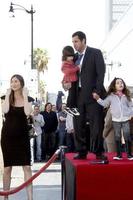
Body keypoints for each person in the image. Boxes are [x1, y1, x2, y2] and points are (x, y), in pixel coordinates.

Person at [71, 31, 108, 163]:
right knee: (78, 124)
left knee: (96, 125)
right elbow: (70, 75)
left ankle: (98, 152)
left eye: (76, 41)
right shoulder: (73, 58)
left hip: (93, 95)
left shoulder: (95, 53)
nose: (74, 44)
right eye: (73, 42)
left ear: (83, 40)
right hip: (78, 95)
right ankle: (81, 151)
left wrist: (97, 91)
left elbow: (101, 73)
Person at [0, 74, 34, 200]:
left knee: (26, 166)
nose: (13, 84)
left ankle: (30, 197)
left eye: (16, 81)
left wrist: (25, 96)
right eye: (12, 81)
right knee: (7, 167)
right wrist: (8, 96)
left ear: (21, 83)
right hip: (7, 137)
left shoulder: (28, 98)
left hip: (22, 137)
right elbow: (5, 110)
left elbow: (27, 112)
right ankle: (5, 197)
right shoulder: (5, 97)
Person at [93, 77, 133, 160]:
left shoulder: (127, 96)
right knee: (117, 137)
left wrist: (129, 113)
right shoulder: (111, 97)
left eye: (121, 82)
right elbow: (104, 104)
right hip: (116, 121)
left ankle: (129, 155)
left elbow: (131, 106)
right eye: (118, 83)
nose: (120, 84)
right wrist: (98, 99)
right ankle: (119, 155)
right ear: (114, 86)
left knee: (127, 136)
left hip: (125, 119)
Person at [61, 46, 80, 116]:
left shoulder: (71, 59)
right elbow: (68, 71)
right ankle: (69, 107)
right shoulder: (64, 63)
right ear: (65, 56)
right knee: (71, 94)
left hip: (73, 80)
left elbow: (76, 56)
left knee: (74, 94)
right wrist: (77, 68)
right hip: (69, 81)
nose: (71, 58)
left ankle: (72, 107)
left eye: (72, 56)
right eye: (69, 56)